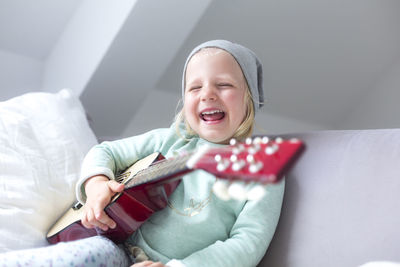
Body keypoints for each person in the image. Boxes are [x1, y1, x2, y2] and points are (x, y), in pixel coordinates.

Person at [0, 40, 284, 267]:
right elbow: (106, 151)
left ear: (250, 99)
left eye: (223, 85)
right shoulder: (171, 140)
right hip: (113, 247)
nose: (207, 94)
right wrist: (96, 183)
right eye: (194, 87)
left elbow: (247, 242)